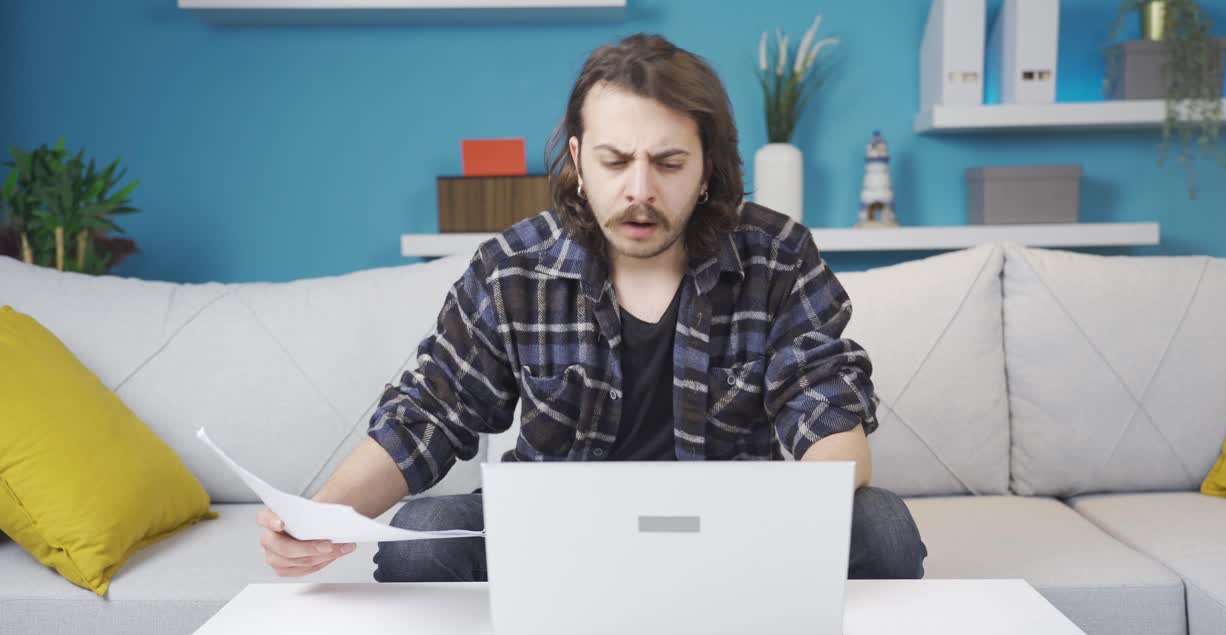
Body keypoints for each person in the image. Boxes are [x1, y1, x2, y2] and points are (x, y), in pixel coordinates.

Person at [257, 33, 927, 583]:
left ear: (708, 171)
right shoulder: (512, 269)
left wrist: (790, 529)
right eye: (615, 161)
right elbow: (430, 413)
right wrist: (315, 517)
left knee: (884, 529)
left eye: (668, 163)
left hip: (732, 532)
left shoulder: (778, 255)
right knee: (419, 536)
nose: (640, 191)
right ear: (579, 162)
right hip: (557, 529)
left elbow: (827, 411)